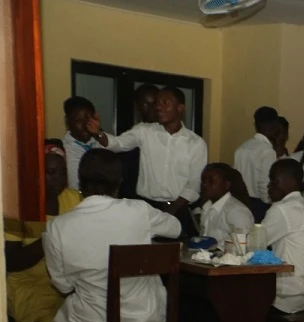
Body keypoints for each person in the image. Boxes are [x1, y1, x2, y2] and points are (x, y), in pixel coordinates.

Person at [44, 149, 180, 322]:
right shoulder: (139, 211)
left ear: (80, 181)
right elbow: (176, 229)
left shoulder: (56, 227)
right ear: (119, 182)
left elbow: (63, 286)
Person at [89, 86, 208, 238]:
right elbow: (117, 144)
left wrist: (172, 208)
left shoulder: (196, 143)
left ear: (180, 108)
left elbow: (194, 184)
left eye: (165, 102)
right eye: (158, 102)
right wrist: (98, 134)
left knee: (178, 254)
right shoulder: (144, 131)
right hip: (146, 208)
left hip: (178, 209)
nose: (159, 107)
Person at [3, 141, 81, 322]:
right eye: (50, 172)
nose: (58, 179)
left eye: (62, 172)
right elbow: (12, 260)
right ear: (37, 174)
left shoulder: (72, 199)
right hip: (27, 286)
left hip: (65, 283)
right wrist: (51, 235)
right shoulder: (20, 205)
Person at [262, 159, 304, 318]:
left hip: (282, 298)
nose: (268, 186)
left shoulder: (283, 209)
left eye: (273, 181)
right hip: (303, 295)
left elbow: (251, 243)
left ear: (290, 182)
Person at [234, 106, 282, 221]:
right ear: (273, 125)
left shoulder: (242, 147)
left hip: (240, 202)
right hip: (258, 205)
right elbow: (264, 185)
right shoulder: (267, 151)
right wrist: (270, 204)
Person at [119, 83, 161, 200]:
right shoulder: (131, 136)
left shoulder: (172, 137)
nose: (151, 108)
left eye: (154, 103)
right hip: (134, 200)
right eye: (145, 104)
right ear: (137, 107)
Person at [198, 163, 255, 248]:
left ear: (227, 185)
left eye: (211, 181)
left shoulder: (236, 211)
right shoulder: (207, 207)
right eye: (203, 180)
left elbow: (245, 247)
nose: (205, 185)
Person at [61, 96, 103, 191]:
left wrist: (99, 132)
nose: (85, 126)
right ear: (67, 121)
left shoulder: (101, 145)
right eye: (79, 121)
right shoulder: (62, 150)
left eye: (89, 121)